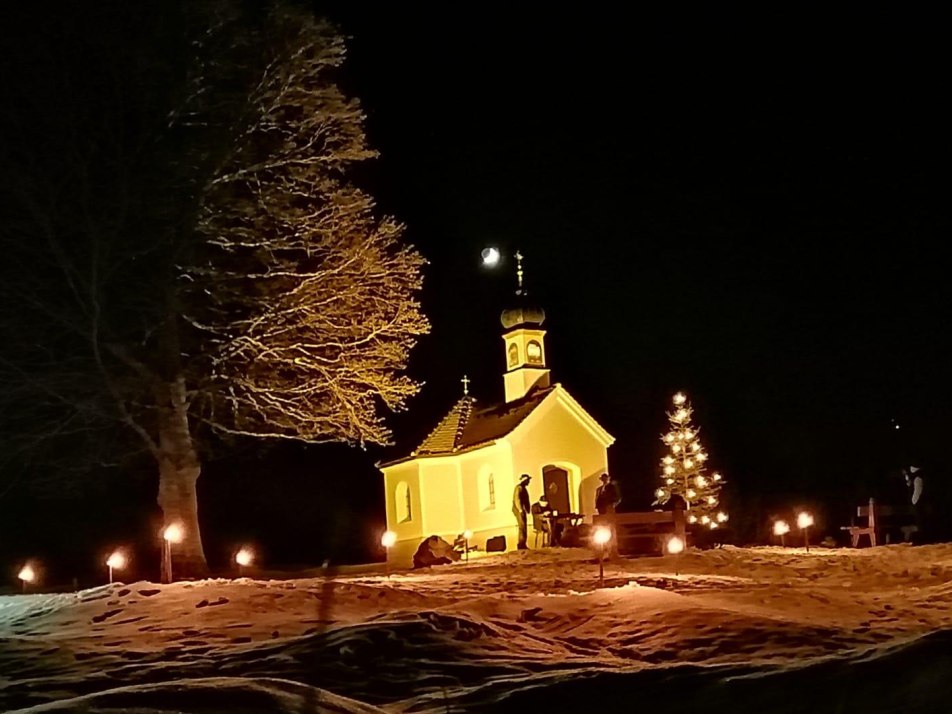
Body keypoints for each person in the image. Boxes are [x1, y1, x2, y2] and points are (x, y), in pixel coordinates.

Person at [904, 465, 926, 542]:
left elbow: (917, 491)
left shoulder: (917, 478)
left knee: (920, 519)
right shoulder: (915, 478)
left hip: (917, 502)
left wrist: (914, 500)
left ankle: (921, 537)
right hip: (916, 502)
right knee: (918, 519)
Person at [512, 473, 532, 549]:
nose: (529, 482)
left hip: (522, 510)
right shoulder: (519, 488)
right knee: (522, 526)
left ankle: (523, 543)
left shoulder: (523, 488)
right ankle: (521, 544)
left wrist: (527, 509)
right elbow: (517, 499)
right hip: (519, 510)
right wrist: (520, 509)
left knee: (523, 526)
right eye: (528, 480)